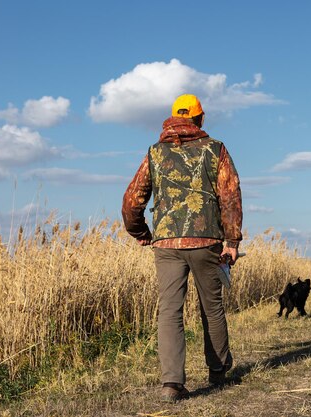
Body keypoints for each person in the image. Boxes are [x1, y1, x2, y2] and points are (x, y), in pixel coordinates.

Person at [122, 94, 243, 403]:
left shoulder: (155, 153)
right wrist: (231, 241)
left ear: (172, 118)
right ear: (200, 119)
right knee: (211, 307)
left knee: (169, 311)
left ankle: (171, 383)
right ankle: (218, 372)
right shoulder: (215, 149)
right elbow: (229, 196)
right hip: (207, 242)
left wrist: (142, 232)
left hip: (167, 244)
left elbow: (132, 199)